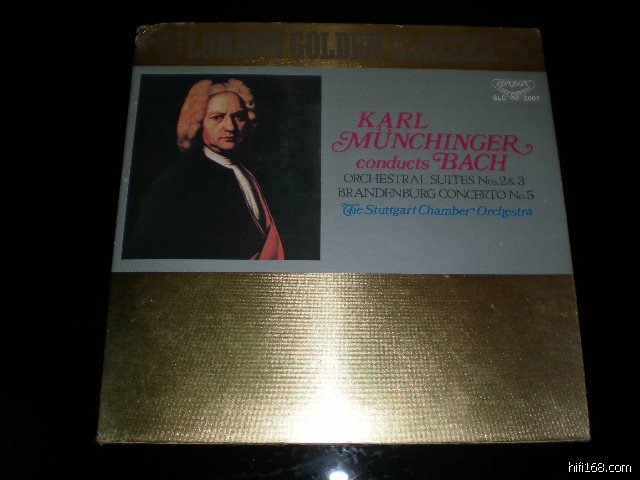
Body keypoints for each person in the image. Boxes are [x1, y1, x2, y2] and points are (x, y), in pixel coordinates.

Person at [125, 78, 285, 260]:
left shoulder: (256, 174)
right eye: (218, 117)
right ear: (198, 122)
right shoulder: (175, 182)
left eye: (238, 117)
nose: (230, 127)